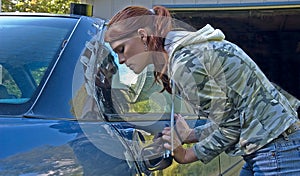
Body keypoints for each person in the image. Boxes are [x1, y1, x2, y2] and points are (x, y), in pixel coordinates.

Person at [104, 5, 300, 175]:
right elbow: (232, 117)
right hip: (270, 145)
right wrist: (191, 135)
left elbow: (231, 127)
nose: (120, 60)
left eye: (121, 49)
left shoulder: (184, 63)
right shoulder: (187, 50)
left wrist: (187, 154)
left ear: (143, 36)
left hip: (275, 148)